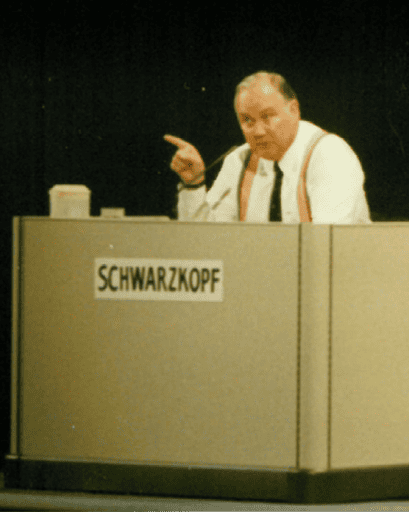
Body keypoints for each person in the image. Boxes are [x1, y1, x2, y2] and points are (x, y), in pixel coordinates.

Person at [164, 71, 371, 224]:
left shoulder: (330, 155)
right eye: (247, 120)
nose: (258, 131)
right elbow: (205, 240)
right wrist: (193, 184)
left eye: (267, 117)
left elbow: (326, 244)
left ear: (294, 110)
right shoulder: (239, 160)